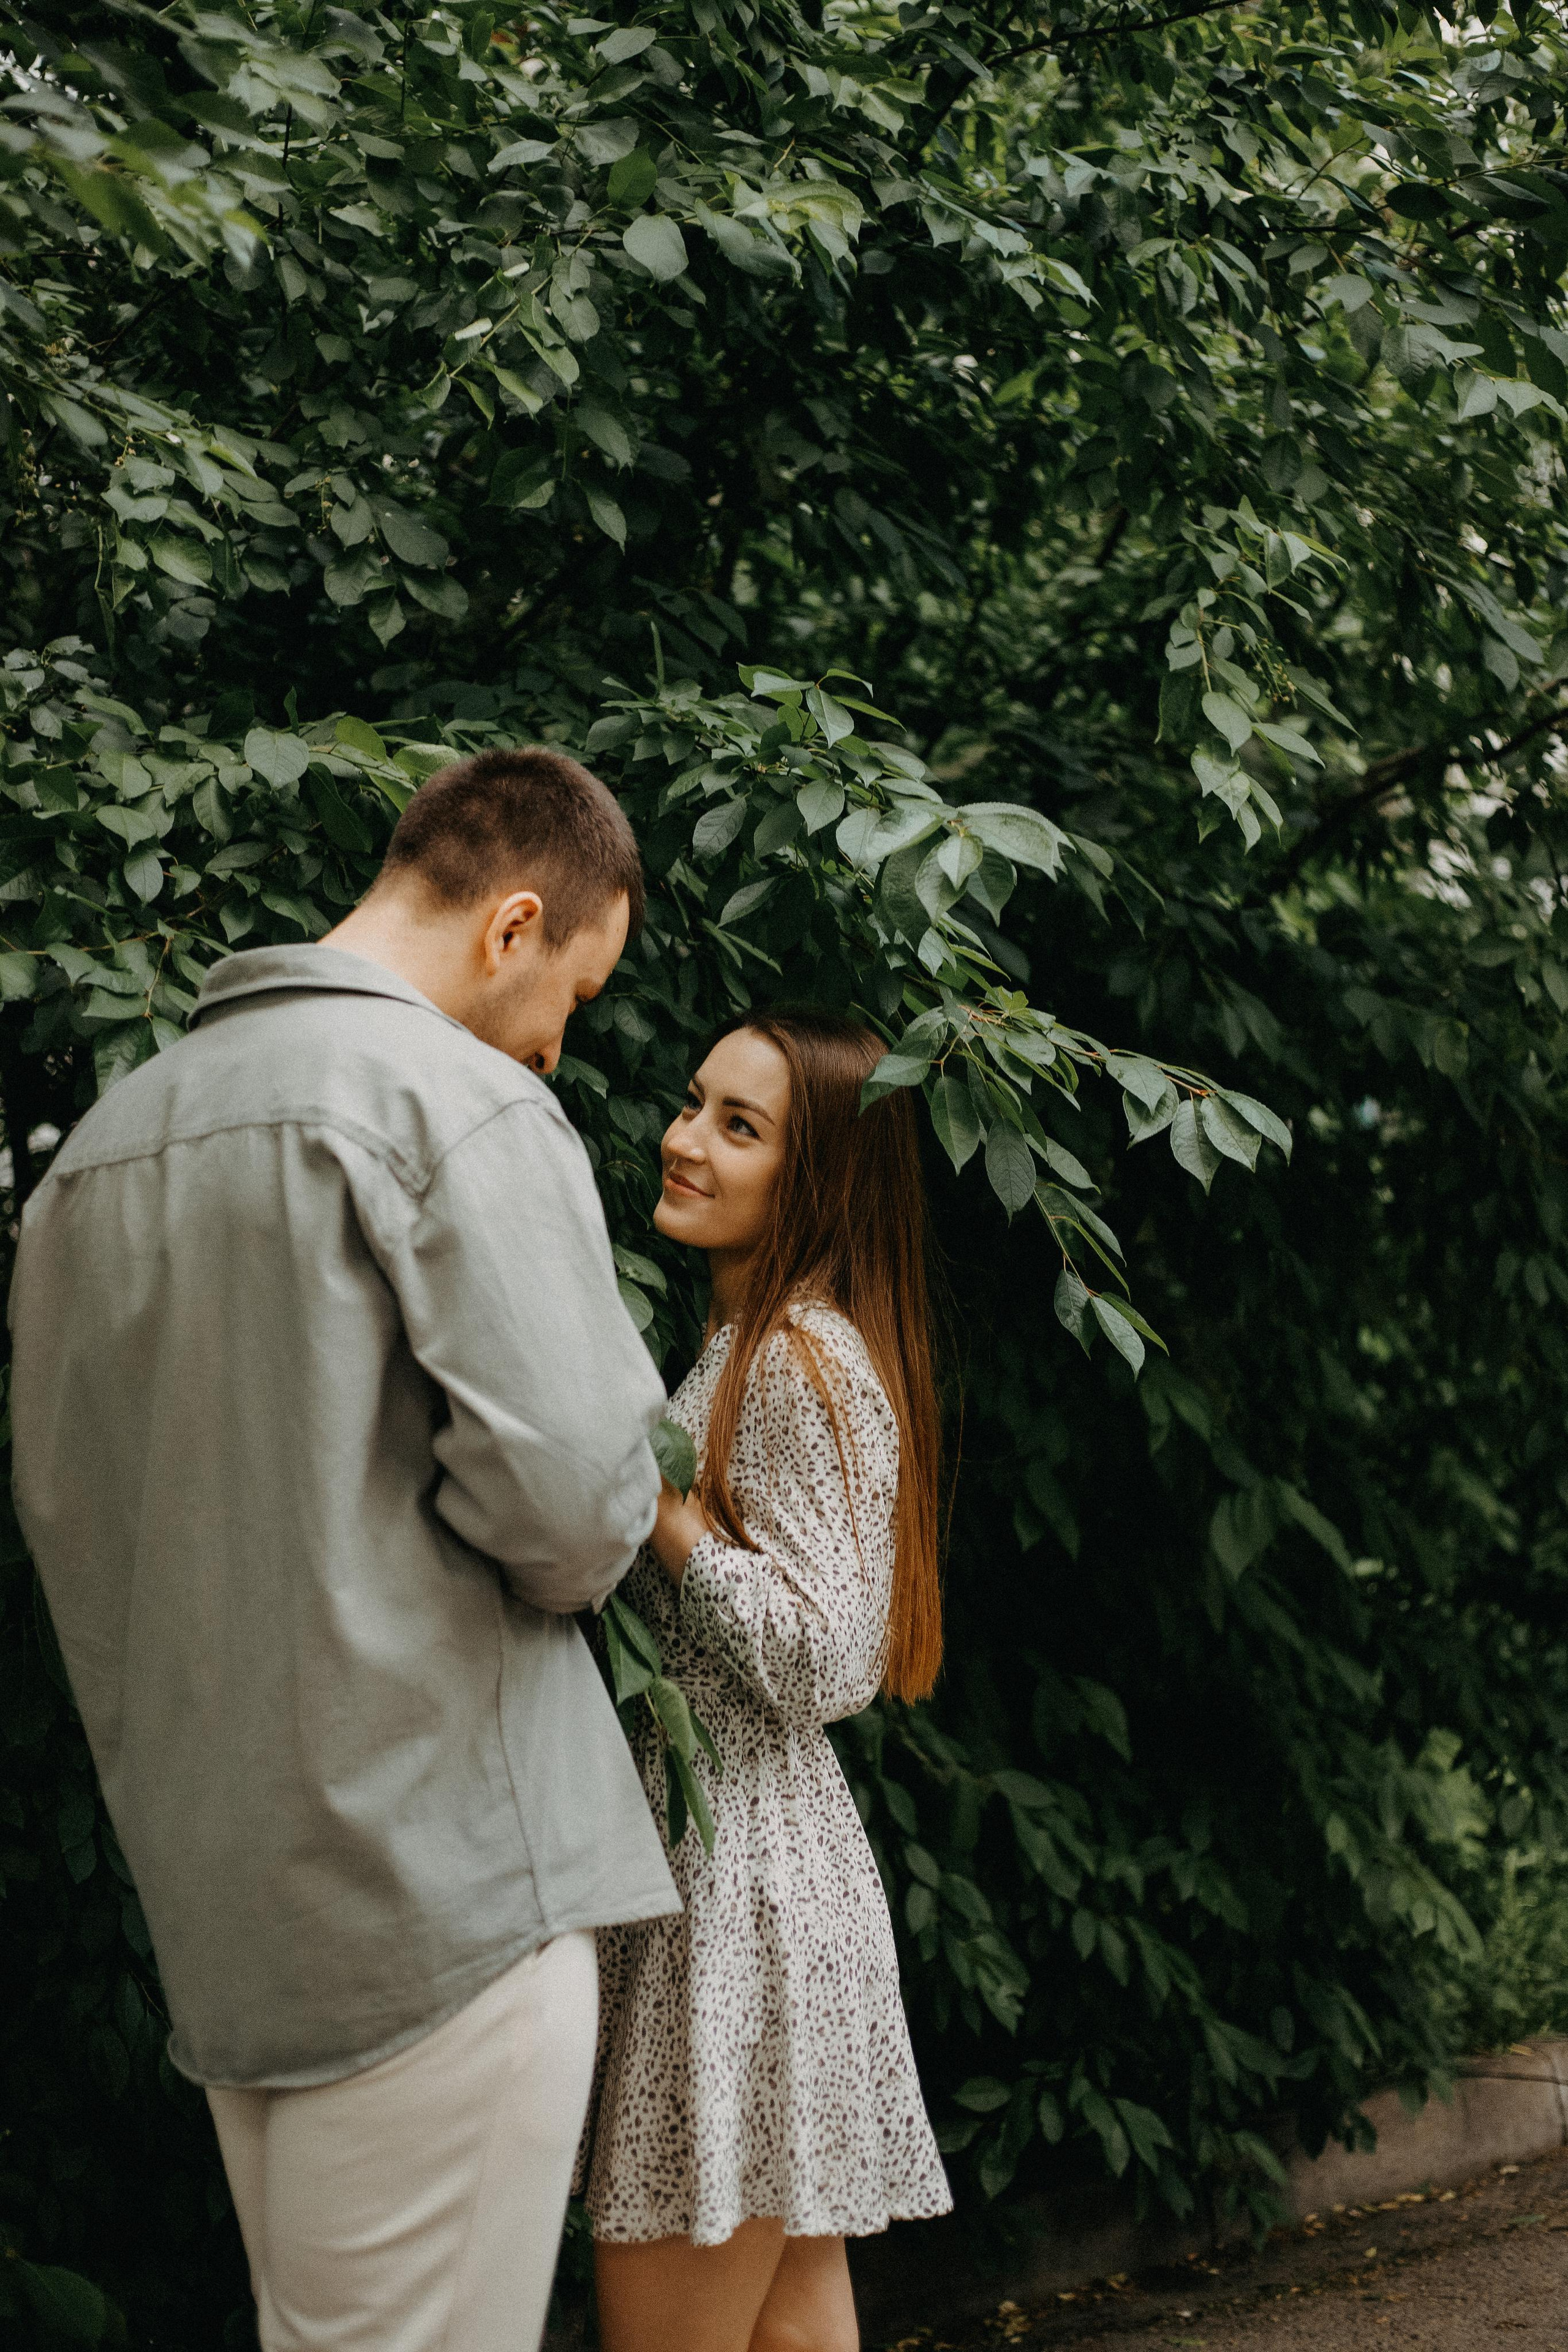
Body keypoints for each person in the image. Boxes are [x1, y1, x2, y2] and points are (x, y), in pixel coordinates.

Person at [9, 747, 682, 2352]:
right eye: (574, 992)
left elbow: (79, 1521)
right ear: (515, 925)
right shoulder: (455, 1105)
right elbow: (586, 1511)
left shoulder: (97, 1153)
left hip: (231, 1917)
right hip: (446, 1894)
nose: (558, 1040)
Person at [582, 1010, 953, 2352]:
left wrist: (659, 1511)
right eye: (694, 1106)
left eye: (738, 1128)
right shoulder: (748, 1346)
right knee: (790, 2334)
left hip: (741, 1905)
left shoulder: (799, 1360)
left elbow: (824, 1657)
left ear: (820, 1179)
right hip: (743, 1889)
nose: (683, 1142)